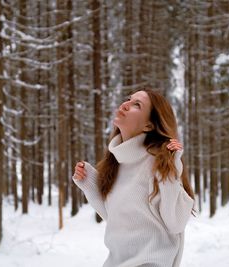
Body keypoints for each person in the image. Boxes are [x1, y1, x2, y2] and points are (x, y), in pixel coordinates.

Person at [72, 88, 195, 267]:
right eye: (129, 99)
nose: (126, 104)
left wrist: (171, 171)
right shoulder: (116, 164)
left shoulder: (158, 162)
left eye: (136, 105)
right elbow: (119, 219)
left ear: (149, 125)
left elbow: (175, 223)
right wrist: (89, 183)